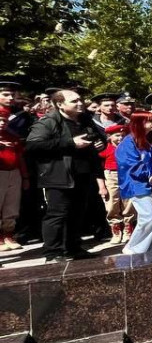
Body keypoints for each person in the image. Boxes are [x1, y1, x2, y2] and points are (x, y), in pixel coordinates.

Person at [26, 89, 105, 260]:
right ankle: (53, 252)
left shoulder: (85, 119)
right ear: (60, 104)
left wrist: (100, 143)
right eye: (74, 101)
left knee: (78, 212)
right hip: (58, 175)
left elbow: (98, 138)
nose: (80, 103)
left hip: (83, 174)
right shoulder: (48, 121)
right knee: (58, 214)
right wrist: (70, 143)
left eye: (80, 100)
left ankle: (73, 248)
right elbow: (33, 145)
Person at [117, 111, 152, 255]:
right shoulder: (128, 143)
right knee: (149, 218)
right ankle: (134, 249)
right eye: (149, 121)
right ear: (138, 123)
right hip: (137, 184)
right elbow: (130, 165)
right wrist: (150, 176)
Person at [98, 123, 134, 246]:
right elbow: (99, 168)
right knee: (112, 202)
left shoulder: (128, 148)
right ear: (109, 137)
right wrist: (102, 186)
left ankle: (128, 228)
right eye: (117, 135)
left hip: (127, 175)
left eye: (123, 135)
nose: (120, 138)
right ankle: (116, 229)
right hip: (111, 175)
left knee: (128, 202)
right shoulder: (105, 150)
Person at [0, 105, 29, 249]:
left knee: (12, 205)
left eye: (4, 120)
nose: (2, 123)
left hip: (14, 173)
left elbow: (21, 158)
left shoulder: (12, 136)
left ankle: (8, 234)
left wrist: (25, 177)